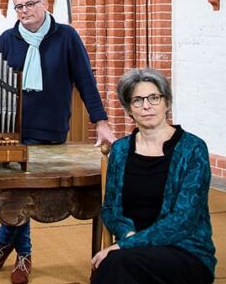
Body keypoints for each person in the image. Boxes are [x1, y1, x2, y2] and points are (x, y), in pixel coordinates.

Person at [0, 0, 116, 284]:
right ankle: (23, 254)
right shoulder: (8, 39)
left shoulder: (66, 36)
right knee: (18, 193)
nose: (24, 11)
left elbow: (85, 80)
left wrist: (101, 121)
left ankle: (3, 245)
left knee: (24, 194)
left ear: (44, 4)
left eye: (30, 4)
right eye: (19, 6)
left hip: (50, 129)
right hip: (12, 129)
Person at [91, 68, 216, 283]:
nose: (146, 106)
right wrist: (128, 234)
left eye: (154, 98)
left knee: (115, 265)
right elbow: (110, 208)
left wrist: (128, 243)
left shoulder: (193, 148)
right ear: (129, 109)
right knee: (118, 267)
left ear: (167, 103)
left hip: (183, 249)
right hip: (132, 248)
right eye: (137, 100)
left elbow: (183, 220)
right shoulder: (120, 150)